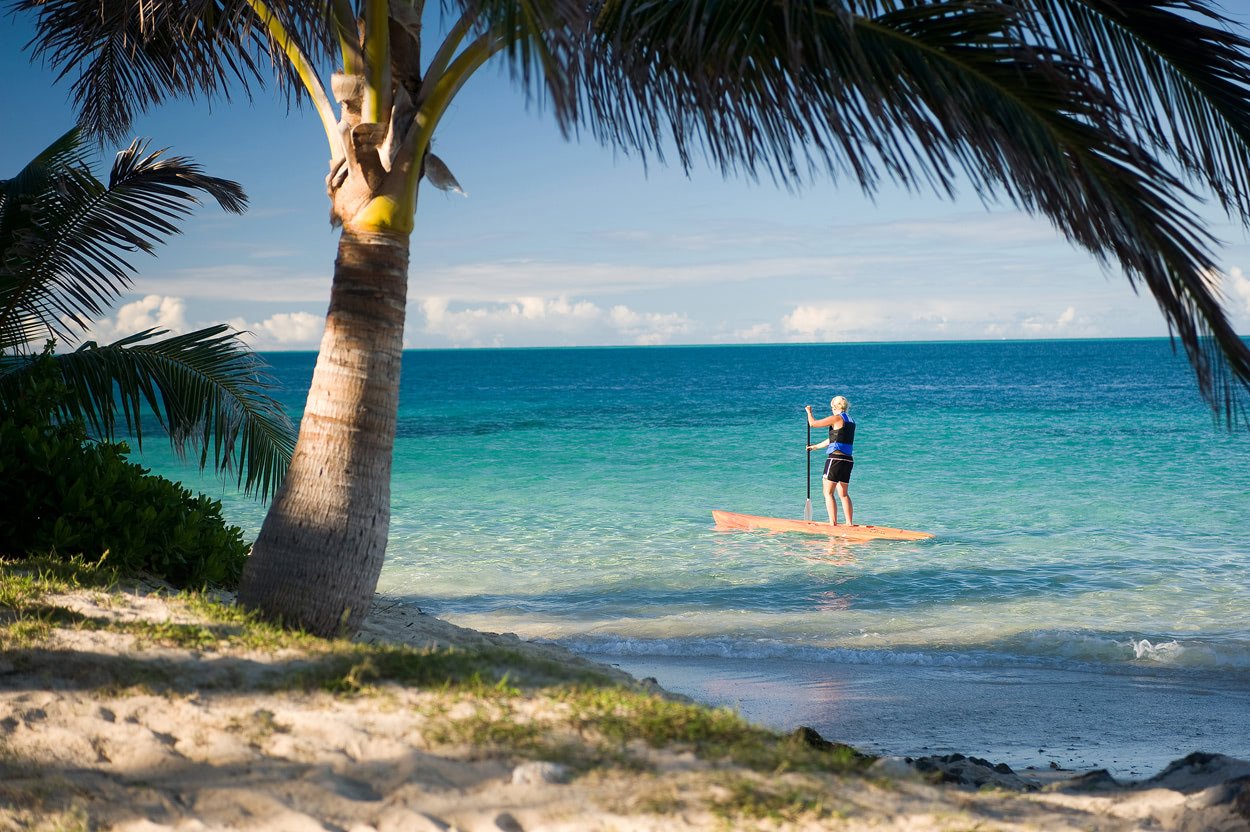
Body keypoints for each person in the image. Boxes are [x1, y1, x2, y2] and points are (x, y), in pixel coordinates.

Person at [806, 396, 855, 526]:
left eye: (832, 407)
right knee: (843, 494)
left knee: (828, 492)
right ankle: (849, 523)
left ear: (835, 407)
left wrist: (809, 412)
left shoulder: (836, 418)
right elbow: (835, 439)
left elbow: (813, 424)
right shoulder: (850, 420)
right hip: (848, 460)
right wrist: (815, 446)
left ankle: (833, 524)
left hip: (835, 459)